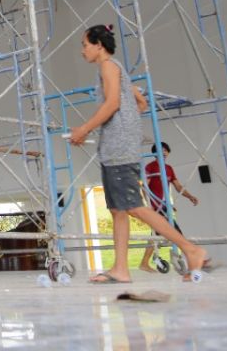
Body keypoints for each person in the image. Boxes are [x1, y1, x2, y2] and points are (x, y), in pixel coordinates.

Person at [68, 24, 207, 284]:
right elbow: (140, 104)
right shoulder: (120, 70)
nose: (82, 51)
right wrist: (126, 124)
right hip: (118, 145)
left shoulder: (108, 67)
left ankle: (191, 249)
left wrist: (85, 129)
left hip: (118, 148)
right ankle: (121, 269)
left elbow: (112, 103)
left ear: (99, 45)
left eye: (85, 44)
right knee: (118, 210)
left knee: (132, 206)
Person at [139, 141, 198, 273]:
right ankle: (191, 259)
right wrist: (149, 205)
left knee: (157, 233)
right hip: (156, 207)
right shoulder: (150, 167)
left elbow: (178, 186)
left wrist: (189, 196)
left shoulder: (169, 168)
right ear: (154, 153)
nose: (164, 153)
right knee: (176, 233)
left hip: (164, 207)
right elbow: (144, 187)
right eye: (161, 150)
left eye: (166, 150)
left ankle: (145, 262)